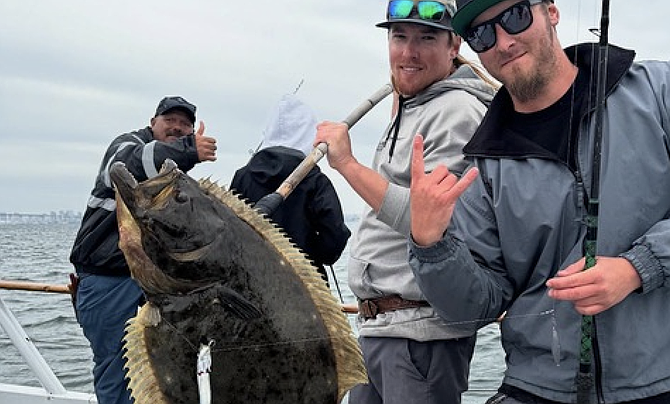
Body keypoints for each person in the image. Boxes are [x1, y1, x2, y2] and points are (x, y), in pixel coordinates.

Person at [408, 0, 670, 403]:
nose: (503, 41)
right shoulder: (482, 169)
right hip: (537, 388)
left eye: (515, 16)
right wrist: (430, 245)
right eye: (482, 34)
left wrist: (639, 268)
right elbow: (472, 311)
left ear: (551, 10)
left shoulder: (656, 90)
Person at [314, 1, 497, 403]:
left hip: (420, 336)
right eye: (399, 37)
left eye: (426, 38)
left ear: (454, 46)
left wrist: (346, 164)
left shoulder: (457, 110)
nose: (408, 52)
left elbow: (430, 219)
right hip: (380, 329)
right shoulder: (416, 105)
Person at [69, 96, 217, 404]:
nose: (177, 128)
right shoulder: (127, 146)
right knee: (117, 368)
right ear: (153, 123)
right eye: (169, 121)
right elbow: (125, 166)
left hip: (160, 289)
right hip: (110, 282)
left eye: (185, 124)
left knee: (169, 373)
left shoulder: (176, 175)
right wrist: (190, 150)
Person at [230, 93, 351, 284]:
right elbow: (333, 240)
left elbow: (231, 234)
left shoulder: (242, 177)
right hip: (307, 288)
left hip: (252, 285)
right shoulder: (316, 180)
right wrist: (311, 252)